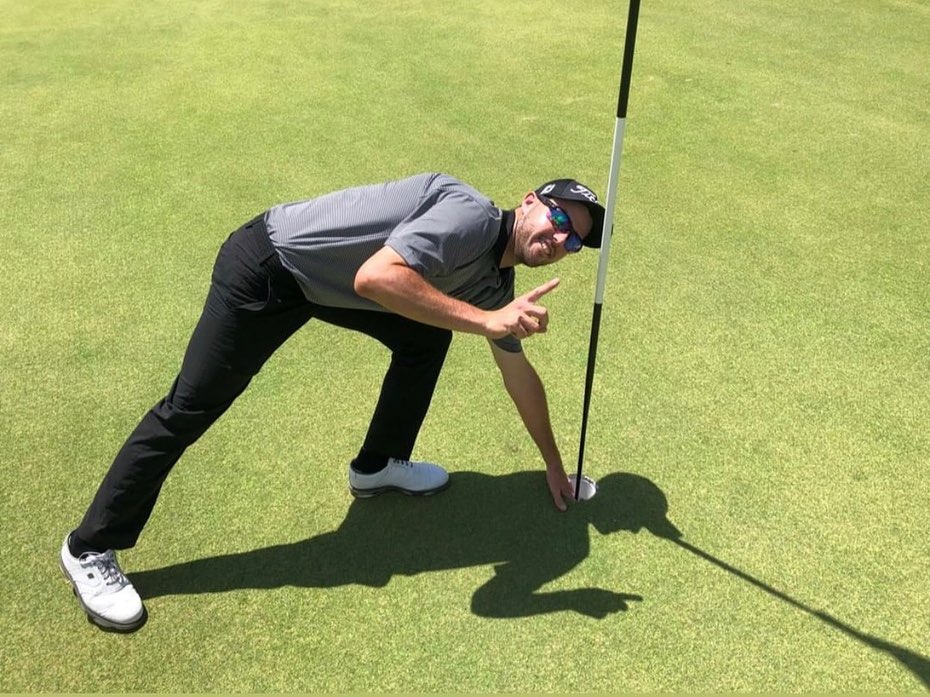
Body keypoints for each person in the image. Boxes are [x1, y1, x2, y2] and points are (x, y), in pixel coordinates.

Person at [59, 172, 606, 631]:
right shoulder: (471, 218)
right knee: (190, 407)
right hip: (268, 266)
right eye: (559, 219)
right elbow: (376, 278)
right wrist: (486, 322)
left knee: (425, 337)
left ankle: (376, 466)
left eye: (574, 241)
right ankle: (88, 548)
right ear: (529, 202)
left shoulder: (495, 285)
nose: (561, 239)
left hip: (326, 286)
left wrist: (553, 463)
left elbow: (518, 375)